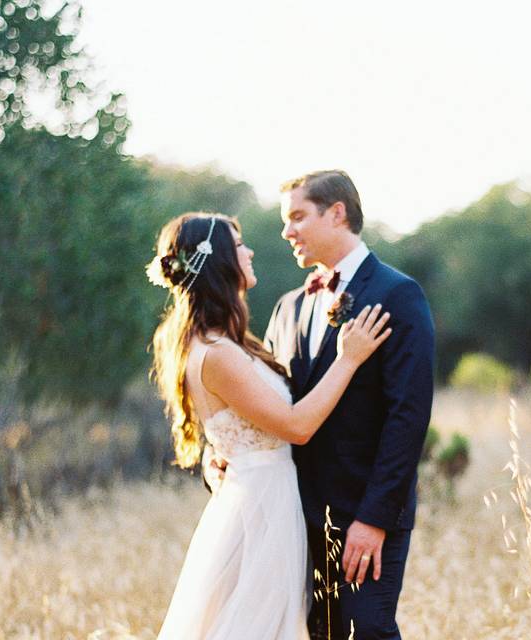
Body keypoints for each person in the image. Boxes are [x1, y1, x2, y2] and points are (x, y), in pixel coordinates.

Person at [147, 211, 391, 640]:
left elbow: (236, 420)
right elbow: (295, 426)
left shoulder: (226, 341)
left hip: (267, 498)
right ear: (220, 260)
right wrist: (348, 357)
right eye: (240, 246)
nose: (250, 251)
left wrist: (216, 450)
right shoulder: (216, 351)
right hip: (260, 510)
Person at [261, 170, 435, 640]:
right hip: (294, 516)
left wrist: (373, 519)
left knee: (367, 633)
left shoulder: (398, 295)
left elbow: (409, 416)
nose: (287, 231)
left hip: (363, 516)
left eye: (297, 216)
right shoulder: (287, 308)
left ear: (337, 213)